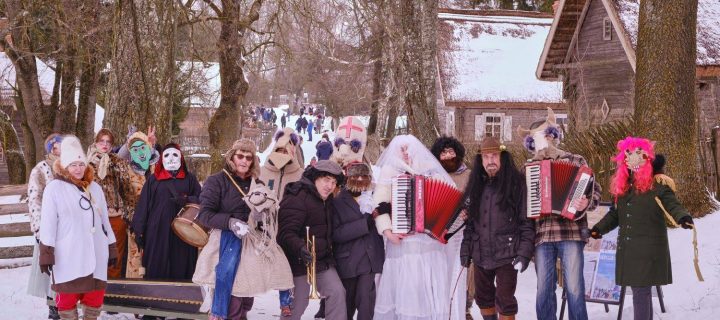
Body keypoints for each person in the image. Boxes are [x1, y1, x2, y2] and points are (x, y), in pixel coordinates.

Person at [590, 137, 694, 320]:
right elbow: (616, 214)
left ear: (646, 157)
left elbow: (672, 204)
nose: (631, 157)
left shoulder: (657, 184)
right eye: (627, 154)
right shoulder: (625, 186)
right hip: (629, 250)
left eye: (636, 153)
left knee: (640, 291)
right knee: (642, 292)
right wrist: (599, 229)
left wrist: (682, 217)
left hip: (648, 250)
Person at [193, 139, 293, 320]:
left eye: (249, 157)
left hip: (252, 240)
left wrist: (261, 215)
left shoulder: (258, 182)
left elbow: (264, 210)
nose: (244, 161)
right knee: (232, 290)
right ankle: (219, 312)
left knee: (250, 293)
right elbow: (204, 215)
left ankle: (285, 301)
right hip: (226, 239)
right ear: (232, 157)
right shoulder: (216, 181)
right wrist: (230, 222)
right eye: (240, 156)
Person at [517, 108, 601, 320]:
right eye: (537, 138)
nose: (544, 141)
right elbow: (520, 204)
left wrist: (585, 202)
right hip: (542, 235)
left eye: (547, 134)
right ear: (531, 143)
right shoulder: (528, 168)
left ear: (554, 135)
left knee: (574, 287)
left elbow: (595, 191)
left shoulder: (575, 160)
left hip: (571, 232)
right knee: (544, 290)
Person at [372, 134, 458, 320]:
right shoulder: (389, 171)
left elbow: (450, 200)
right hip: (403, 246)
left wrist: (444, 225)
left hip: (429, 246)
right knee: (406, 289)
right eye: (400, 149)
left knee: (425, 290)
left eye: (407, 148)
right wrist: (388, 231)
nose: (404, 153)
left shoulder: (431, 171)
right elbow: (379, 204)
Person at [39, 135, 117, 320]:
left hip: (97, 253)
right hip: (68, 256)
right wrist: (46, 252)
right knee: (67, 300)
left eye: (81, 164)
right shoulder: (54, 188)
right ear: (65, 166)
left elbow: (105, 221)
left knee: (94, 298)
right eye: (73, 165)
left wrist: (111, 246)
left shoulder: (95, 188)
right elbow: (48, 223)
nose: (78, 169)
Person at [460, 137, 535, 320]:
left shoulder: (517, 184)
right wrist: (466, 250)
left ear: (503, 158)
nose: (490, 161)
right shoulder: (475, 185)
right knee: (483, 298)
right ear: (481, 160)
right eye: (486, 157)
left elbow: (526, 223)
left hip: (507, 254)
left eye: (494, 156)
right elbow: (470, 224)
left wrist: (524, 254)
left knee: (505, 300)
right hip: (480, 253)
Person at [278, 160, 348, 320]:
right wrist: (301, 248)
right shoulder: (297, 197)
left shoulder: (328, 200)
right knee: (298, 303)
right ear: (314, 178)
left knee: (337, 292)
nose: (330, 186)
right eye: (326, 180)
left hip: (321, 261)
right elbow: (285, 233)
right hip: (297, 262)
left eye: (333, 182)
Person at [131, 143, 202, 284]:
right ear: (162, 159)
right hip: (157, 231)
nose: (171, 158)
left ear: (181, 158)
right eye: (167, 155)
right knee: (157, 264)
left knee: (181, 264)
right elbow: (143, 205)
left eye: (175, 155)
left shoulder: (190, 179)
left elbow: (202, 200)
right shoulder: (153, 180)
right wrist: (139, 230)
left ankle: (181, 299)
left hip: (183, 232)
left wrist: (187, 199)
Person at [258, 128, 304, 316]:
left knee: (286, 266)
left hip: (287, 226)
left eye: (286, 151)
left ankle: (285, 302)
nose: (282, 155)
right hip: (264, 226)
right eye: (279, 150)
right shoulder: (262, 171)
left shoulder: (300, 174)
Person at [332, 162, 385, 320]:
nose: (360, 179)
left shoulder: (376, 198)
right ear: (348, 178)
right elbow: (336, 234)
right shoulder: (337, 201)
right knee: (346, 308)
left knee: (366, 307)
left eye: (364, 176)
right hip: (348, 262)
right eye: (355, 176)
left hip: (369, 262)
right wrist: (364, 222)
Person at [431, 136, 472, 319]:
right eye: (444, 152)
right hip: (437, 235)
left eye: (451, 151)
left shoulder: (469, 175)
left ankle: (460, 310)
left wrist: (469, 211)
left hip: (460, 234)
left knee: (458, 274)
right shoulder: (433, 175)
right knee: (440, 275)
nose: (448, 156)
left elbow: (476, 200)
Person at [86, 128, 136, 279]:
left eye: (108, 142)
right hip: (92, 216)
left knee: (115, 254)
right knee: (93, 252)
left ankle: (113, 288)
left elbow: (127, 190)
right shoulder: (85, 163)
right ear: (96, 142)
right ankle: (94, 286)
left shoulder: (118, 162)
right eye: (102, 141)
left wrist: (129, 213)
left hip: (115, 215)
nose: (105, 145)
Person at [26, 133, 63, 320]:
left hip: (66, 229)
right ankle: (53, 307)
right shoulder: (41, 169)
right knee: (50, 269)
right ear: (50, 148)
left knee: (64, 268)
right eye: (56, 145)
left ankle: (65, 303)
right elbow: (34, 198)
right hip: (48, 229)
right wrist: (39, 229)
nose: (60, 148)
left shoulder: (69, 167)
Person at [117, 127, 160, 279]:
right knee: (135, 258)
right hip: (136, 221)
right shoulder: (126, 170)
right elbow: (118, 158)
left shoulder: (158, 167)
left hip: (156, 221)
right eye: (135, 149)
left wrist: (153, 144)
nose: (140, 153)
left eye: (143, 147)